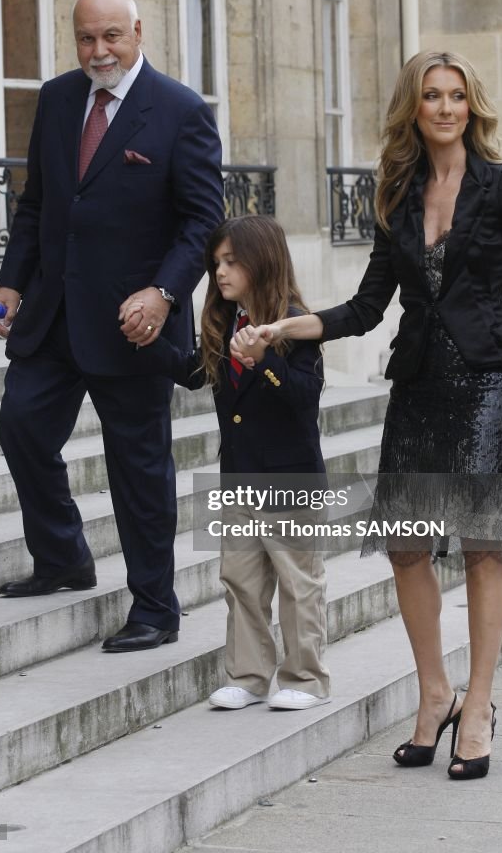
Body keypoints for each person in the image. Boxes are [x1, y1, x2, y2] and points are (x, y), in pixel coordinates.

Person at [231, 52, 502, 774]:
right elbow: (362, 308)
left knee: (481, 545)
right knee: (406, 547)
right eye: (430, 97)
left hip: (483, 382)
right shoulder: (396, 192)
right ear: (412, 109)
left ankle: (477, 705)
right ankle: (433, 695)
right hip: (415, 385)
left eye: (455, 96)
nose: (444, 108)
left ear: (469, 106)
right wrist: (280, 325)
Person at [0, 0, 224, 653]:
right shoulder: (59, 99)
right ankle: (63, 556)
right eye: (86, 37)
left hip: (134, 325)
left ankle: (155, 607)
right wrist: (11, 285)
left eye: (110, 36)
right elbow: (37, 208)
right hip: (55, 315)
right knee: (21, 428)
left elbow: (202, 220)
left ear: (138, 31)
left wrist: (164, 294)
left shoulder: (180, 112)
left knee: (138, 469)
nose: (98, 50)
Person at [150, 215, 330, 710]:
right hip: (238, 475)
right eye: (216, 263)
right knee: (241, 581)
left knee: (297, 582)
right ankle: (249, 676)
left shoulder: (296, 323)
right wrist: (150, 343)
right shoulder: (225, 321)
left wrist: (263, 362)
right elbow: (194, 372)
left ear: (261, 262)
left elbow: (304, 398)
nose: (221, 272)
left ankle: (305, 679)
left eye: (232, 262)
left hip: (289, 477)